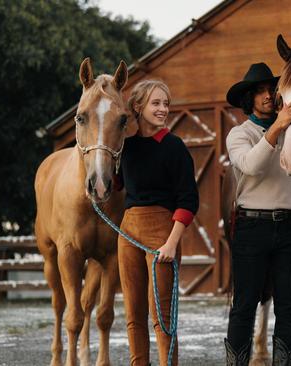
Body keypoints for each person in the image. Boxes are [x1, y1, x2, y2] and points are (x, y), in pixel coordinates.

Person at [223, 62, 291, 365]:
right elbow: (251, 166)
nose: (267, 95)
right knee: (245, 305)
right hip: (252, 227)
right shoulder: (240, 134)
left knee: (288, 305)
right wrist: (278, 126)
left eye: (271, 90)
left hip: (290, 226)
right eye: (260, 91)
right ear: (249, 98)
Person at [118, 79, 199, 365]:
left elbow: (188, 200)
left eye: (166, 103)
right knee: (133, 314)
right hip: (127, 231)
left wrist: (171, 243)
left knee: (162, 316)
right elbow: (111, 186)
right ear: (138, 107)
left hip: (161, 232)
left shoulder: (174, 146)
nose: (163, 108)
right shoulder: (124, 148)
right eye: (156, 103)